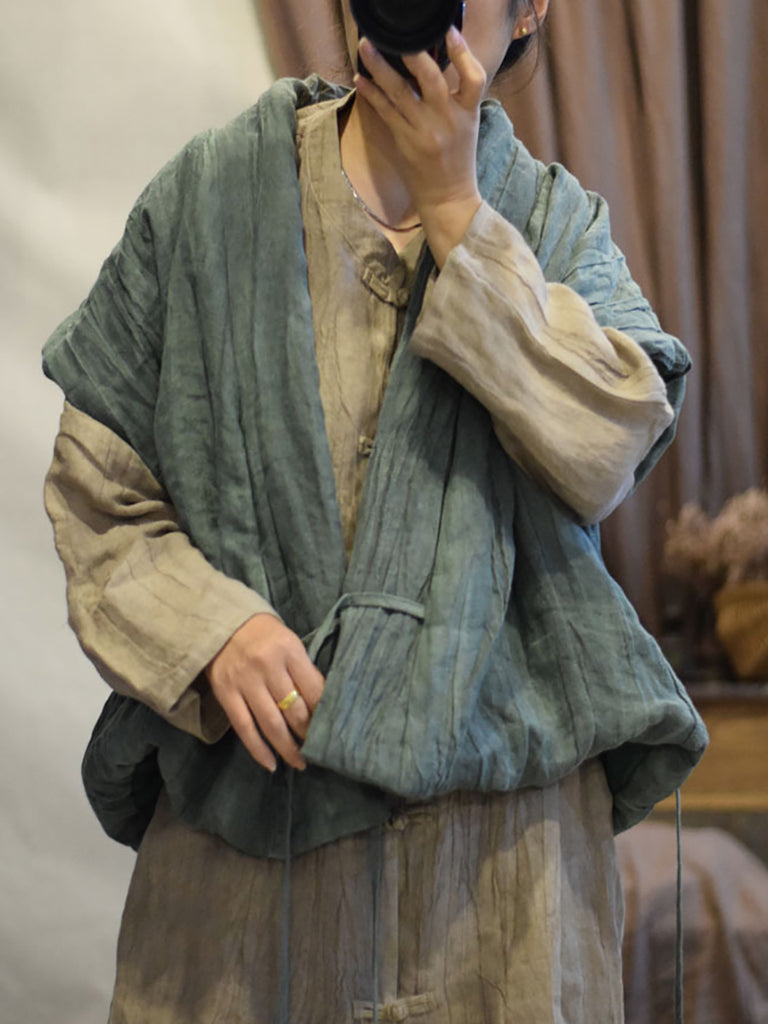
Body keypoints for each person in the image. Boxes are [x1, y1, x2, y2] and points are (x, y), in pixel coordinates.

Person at [43, 1, 707, 1021]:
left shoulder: (557, 226)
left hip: (504, 886)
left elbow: (608, 444)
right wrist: (213, 630)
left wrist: (457, 213)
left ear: (533, 6)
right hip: (246, 873)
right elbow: (101, 489)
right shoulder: (209, 201)